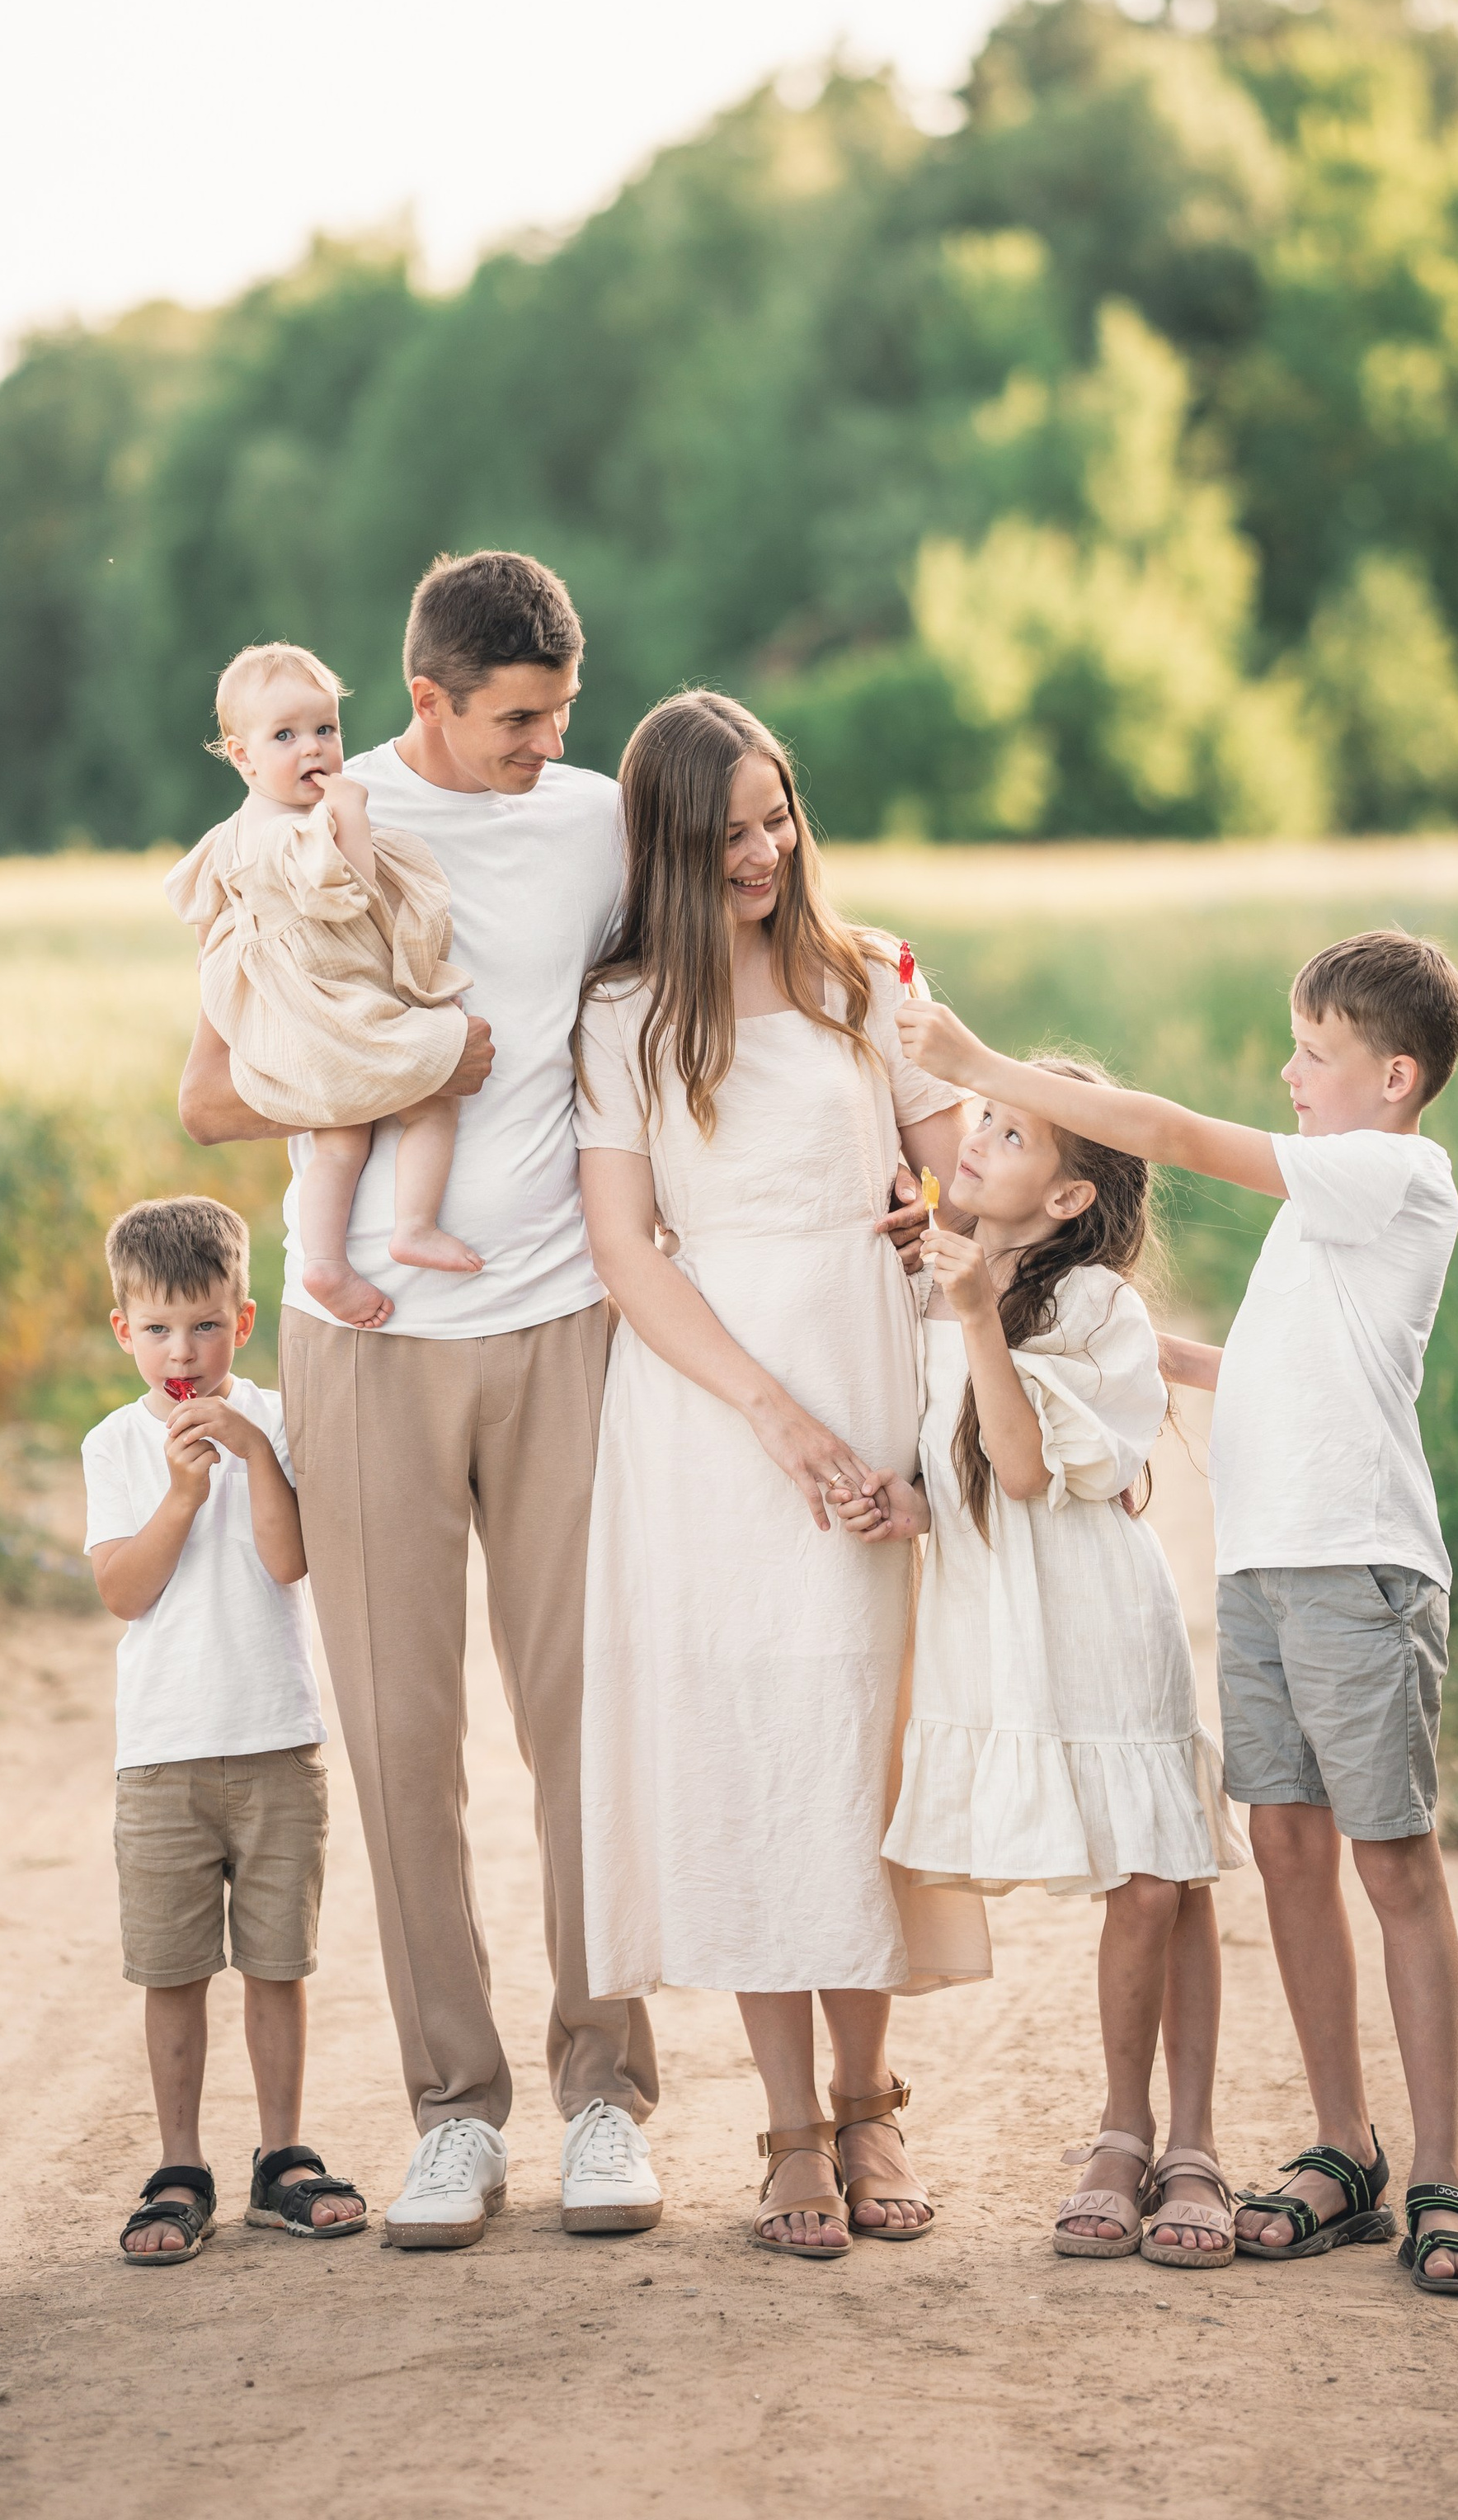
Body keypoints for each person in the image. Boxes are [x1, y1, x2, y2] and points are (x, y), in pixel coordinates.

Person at [177, 553, 676, 2249]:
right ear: (428, 702)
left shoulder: (600, 821)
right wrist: (402, 1066)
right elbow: (206, 1093)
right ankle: (454, 2115)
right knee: (400, 1745)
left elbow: (724, 990)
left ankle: (606, 2096)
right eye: (515, 719)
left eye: (560, 713)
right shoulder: (311, 812)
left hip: (563, 1328)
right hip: (362, 1337)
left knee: (581, 1728)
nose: (544, 743)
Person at [898, 934, 1458, 2298]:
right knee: (1287, 1850)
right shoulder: (1328, 1206)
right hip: (1259, 1574)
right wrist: (1119, 1345)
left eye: (1314, 1053)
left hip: (1360, 1570)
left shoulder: (1395, 1174)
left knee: (1392, 1862)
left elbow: (1169, 1132)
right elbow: (1272, 1368)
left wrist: (978, 1063)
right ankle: (1344, 2153)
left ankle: (1443, 2172)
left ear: (1395, 1077)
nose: (1289, 1072)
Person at [574, 690, 990, 2264]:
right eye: (729, 831)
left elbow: (968, 1164)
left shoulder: (867, 976)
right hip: (708, 1409)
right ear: (671, 847)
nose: (764, 850)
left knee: (854, 1728)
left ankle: (874, 2097)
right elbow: (625, 1250)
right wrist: (771, 1415)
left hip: (867, 1359)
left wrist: (924, 1198)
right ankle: (793, 2129)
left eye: (778, 814)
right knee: (751, 1742)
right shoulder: (624, 1016)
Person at [841, 1061, 1246, 2267]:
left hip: (1103, 1625)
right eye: (989, 1121)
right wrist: (906, 1503)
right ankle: (1122, 2142)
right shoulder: (929, 1292)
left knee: (1161, 1876)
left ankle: (1181, 2140)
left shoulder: (1099, 1312)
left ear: (1068, 1198)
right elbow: (961, 1465)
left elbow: (1023, 1469)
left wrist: (971, 1314)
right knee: (1142, 1876)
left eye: (1013, 1135)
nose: (979, 1140)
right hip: (1006, 1630)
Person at [84, 1196, 366, 2265]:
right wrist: (174, 1495)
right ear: (124, 1334)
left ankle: (281, 2156)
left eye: (203, 1326)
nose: (182, 1352)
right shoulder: (114, 1444)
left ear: (242, 1323)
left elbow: (290, 1561)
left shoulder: (279, 1421)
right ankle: (179, 2164)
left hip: (274, 1736)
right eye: (157, 1330)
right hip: (161, 1754)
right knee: (170, 1969)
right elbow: (123, 1588)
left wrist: (250, 1454)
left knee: (276, 1962)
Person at [165, 639, 479, 1324]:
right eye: (285, 736)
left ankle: (325, 1263)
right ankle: (413, 1224)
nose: (313, 749)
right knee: (435, 1078)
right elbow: (356, 888)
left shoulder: (235, 834)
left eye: (325, 730)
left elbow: (203, 911)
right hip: (334, 1004)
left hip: (297, 1016)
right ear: (242, 757)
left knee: (340, 1138)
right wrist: (351, 814)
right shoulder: (300, 835)